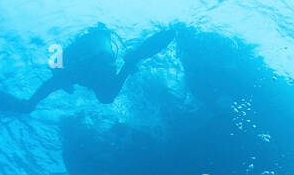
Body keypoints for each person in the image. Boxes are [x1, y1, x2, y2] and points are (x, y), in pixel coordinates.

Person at [15, 22, 175, 110]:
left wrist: (32, 102)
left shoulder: (67, 71)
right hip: (101, 61)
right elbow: (53, 77)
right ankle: (131, 61)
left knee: (105, 96)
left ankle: (130, 61)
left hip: (94, 63)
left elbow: (50, 81)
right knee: (106, 96)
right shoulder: (68, 70)